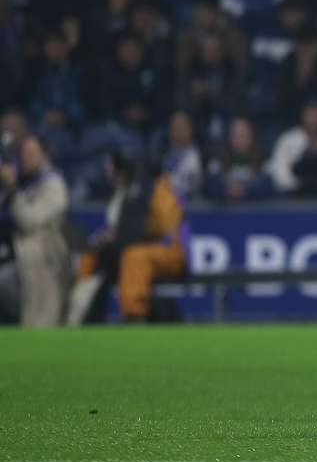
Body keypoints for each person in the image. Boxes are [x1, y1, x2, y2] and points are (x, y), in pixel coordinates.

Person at [75, 152, 188, 322]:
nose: (112, 176)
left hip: (170, 248)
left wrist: (121, 235)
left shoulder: (156, 188)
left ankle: (133, 315)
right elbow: (124, 228)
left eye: (115, 171)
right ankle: (80, 312)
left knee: (134, 257)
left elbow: (164, 227)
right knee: (91, 254)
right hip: (139, 246)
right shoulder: (125, 193)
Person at [1, 135, 70, 326]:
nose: (26, 158)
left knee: (4, 282)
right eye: (23, 154)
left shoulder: (53, 184)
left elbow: (30, 221)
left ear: (45, 156)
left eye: (31, 153)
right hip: (16, 253)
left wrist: (12, 189)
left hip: (43, 258)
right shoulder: (25, 183)